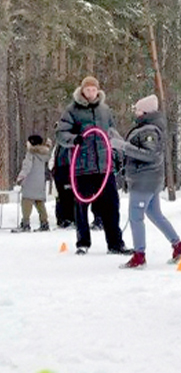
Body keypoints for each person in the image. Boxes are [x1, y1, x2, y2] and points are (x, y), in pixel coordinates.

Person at [111, 94, 181, 269]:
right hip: (149, 179)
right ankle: (179, 247)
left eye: (138, 110)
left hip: (144, 180)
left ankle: (139, 256)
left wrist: (122, 146)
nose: (135, 113)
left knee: (135, 217)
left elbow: (150, 155)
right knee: (154, 214)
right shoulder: (146, 128)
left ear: (145, 112)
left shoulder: (149, 131)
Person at [56, 75, 130, 255]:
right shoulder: (72, 110)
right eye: (87, 89)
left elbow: (112, 132)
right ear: (82, 90)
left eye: (94, 89)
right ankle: (83, 242)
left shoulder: (104, 110)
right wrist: (75, 139)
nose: (91, 92)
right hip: (82, 167)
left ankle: (115, 243)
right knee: (81, 206)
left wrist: (120, 152)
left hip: (104, 167)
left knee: (111, 205)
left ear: (98, 91)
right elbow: (61, 133)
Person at [12, 135, 52, 233]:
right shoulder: (44, 154)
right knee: (40, 203)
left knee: (26, 202)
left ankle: (25, 223)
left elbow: (27, 167)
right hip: (40, 182)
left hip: (30, 181)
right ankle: (44, 223)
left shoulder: (30, 154)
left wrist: (20, 178)